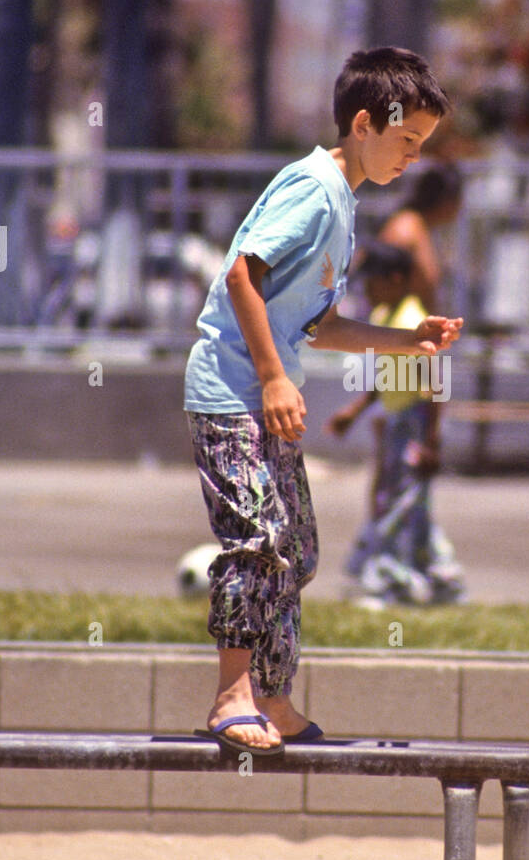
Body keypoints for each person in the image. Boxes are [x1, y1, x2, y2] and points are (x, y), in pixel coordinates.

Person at [183, 47, 463, 754]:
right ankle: (232, 695)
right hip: (230, 394)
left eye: (420, 147)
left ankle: (272, 697)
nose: (410, 159)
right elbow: (241, 275)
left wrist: (407, 343)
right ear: (363, 124)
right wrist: (275, 377)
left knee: (297, 549)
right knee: (255, 540)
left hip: (265, 395)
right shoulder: (311, 188)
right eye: (405, 142)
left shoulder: (344, 205)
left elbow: (320, 324)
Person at [326, 242, 465, 606]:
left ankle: (389, 580)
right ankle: (441, 574)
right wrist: (355, 411)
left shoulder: (410, 320)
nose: (368, 291)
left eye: (373, 282)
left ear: (396, 279)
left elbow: (434, 384)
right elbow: (388, 375)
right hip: (397, 421)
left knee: (399, 502)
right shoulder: (388, 316)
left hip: (416, 423)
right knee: (408, 502)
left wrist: (431, 440)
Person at [377, 162, 462, 312]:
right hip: (395, 323)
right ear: (447, 201)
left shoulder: (420, 226)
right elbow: (383, 288)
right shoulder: (407, 228)